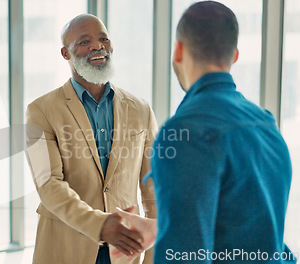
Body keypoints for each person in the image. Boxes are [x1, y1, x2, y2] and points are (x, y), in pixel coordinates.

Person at [116, 1, 296, 263]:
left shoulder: (184, 133)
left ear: (178, 50)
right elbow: (259, 239)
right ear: (234, 55)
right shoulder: (267, 126)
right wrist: (163, 227)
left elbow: (185, 257)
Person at [25, 14, 158, 264]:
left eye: (103, 39)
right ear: (65, 53)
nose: (97, 46)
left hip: (126, 251)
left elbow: (152, 189)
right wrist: (101, 225)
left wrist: (153, 256)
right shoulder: (40, 110)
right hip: (65, 247)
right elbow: (48, 184)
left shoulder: (141, 109)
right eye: (84, 41)